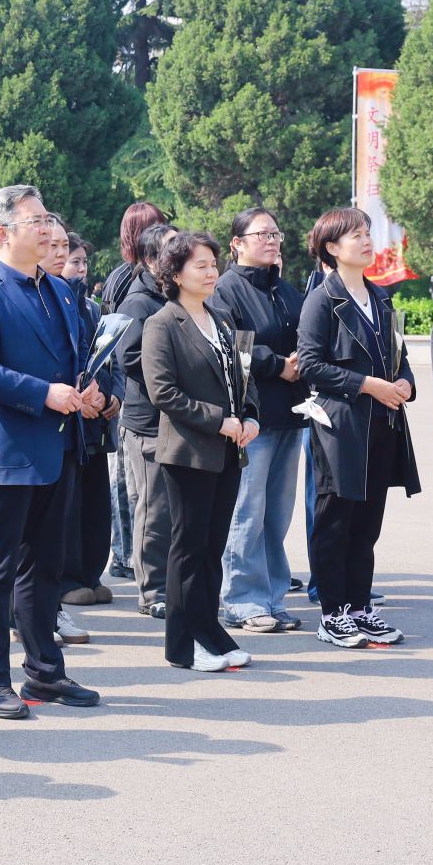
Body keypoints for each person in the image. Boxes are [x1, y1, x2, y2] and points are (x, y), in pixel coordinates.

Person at [0, 186, 103, 720]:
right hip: (7, 453)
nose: (48, 229)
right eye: (36, 221)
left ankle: (44, 672)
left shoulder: (60, 290)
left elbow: (78, 358)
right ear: (3, 233)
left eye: (47, 219)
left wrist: (92, 389)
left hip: (59, 446)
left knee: (45, 569)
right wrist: (44, 394)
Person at [296, 207, 422, 650]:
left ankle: (359, 606)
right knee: (336, 522)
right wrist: (367, 385)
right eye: (356, 235)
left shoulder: (380, 297)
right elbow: (310, 365)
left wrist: (405, 381)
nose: (367, 241)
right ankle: (332, 613)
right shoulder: (321, 299)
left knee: (367, 525)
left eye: (367, 233)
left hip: (382, 425)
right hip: (340, 427)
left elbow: (399, 355)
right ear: (332, 248)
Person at [142, 231, 259, 672]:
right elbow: (163, 392)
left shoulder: (221, 318)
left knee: (212, 548)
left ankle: (209, 631)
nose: (212, 273)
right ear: (175, 273)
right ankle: (183, 645)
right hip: (188, 452)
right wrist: (218, 420)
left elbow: (242, 377)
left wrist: (251, 416)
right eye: (201, 265)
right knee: (188, 550)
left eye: (214, 264)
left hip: (228, 451)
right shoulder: (161, 323)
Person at [211, 207, 308, 634]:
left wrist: (304, 359)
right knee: (247, 511)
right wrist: (277, 364)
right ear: (237, 243)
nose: (271, 240)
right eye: (262, 234)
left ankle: (271, 596)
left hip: (291, 413)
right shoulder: (226, 289)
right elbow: (228, 344)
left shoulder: (285, 290)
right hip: (252, 416)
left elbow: (307, 334)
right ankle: (241, 599)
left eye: (276, 234)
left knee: (277, 514)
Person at [57, 234, 121, 616]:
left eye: (83, 261)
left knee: (96, 504)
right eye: (73, 261)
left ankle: (91, 574)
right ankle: (68, 578)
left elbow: (110, 362)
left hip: (96, 423)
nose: (81, 269)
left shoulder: (94, 310)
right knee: (69, 505)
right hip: (68, 420)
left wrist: (109, 397)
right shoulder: (52, 303)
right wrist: (79, 399)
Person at [117, 221, 178, 620]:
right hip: (147, 422)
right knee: (153, 510)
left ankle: (172, 585)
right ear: (152, 259)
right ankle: (152, 590)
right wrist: (176, 370)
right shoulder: (138, 303)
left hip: (178, 419)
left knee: (174, 510)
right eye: (172, 248)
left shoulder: (175, 297)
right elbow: (128, 358)